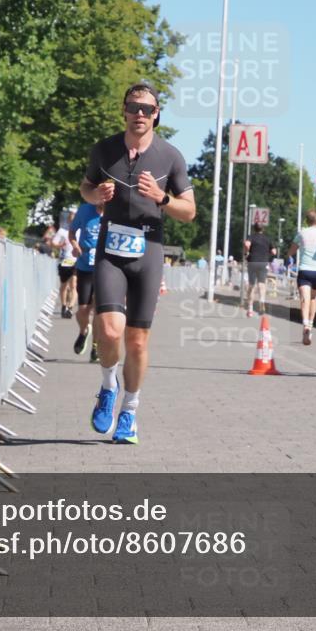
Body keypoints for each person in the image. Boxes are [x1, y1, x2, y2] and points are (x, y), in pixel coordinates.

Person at [79, 83, 196, 444]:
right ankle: (108, 387)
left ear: (157, 114)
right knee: (111, 331)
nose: (140, 114)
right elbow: (85, 187)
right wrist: (95, 195)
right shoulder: (105, 150)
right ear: (124, 110)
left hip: (148, 250)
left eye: (147, 108)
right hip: (111, 248)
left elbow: (189, 212)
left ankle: (130, 410)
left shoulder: (170, 156)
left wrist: (161, 198)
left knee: (138, 341)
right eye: (134, 107)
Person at [288, 209, 316, 345]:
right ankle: (311, 325)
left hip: (305, 270)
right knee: (313, 298)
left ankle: (305, 324)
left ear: (307, 221)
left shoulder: (301, 233)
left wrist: (288, 256)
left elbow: (292, 250)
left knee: (304, 299)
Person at [70, 200, 103, 362]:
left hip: (105, 267)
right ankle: (84, 331)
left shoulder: (116, 213)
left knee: (98, 309)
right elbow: (72, 232)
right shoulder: (85, 210)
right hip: (85, 265)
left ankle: (96, 347)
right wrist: (75, 246)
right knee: (83, 309)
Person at [244, 223, 276, 317]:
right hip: (263, 263)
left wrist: (247, 253)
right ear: (263, 229)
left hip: (253, 262)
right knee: (261, 284)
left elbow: (246, 244)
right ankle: (262, 301)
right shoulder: (267, 238)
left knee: (251, 285)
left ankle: (250, 309)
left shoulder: (251, 237)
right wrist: (268, 259)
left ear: (254, 229)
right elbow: (274, 251)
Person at [51, 211, 77, 318]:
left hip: (77, 260)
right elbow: (53, 243)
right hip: (65, 260)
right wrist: (60, 245)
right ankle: (64, 305)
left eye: (74, 219)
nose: (72, 221)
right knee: (64, 286)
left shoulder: (80, 230)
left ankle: (70, 308)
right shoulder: (62, 231)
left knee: (74, 285)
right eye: (70, 219)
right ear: (68, 220)